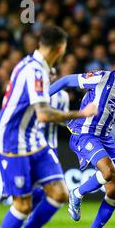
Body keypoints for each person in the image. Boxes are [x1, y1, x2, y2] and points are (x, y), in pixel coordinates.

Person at [0, 26, 97, 228]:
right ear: (60, 48)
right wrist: (81, 113)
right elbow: (44, 114)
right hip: (12, 141)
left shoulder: (37, 66)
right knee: (23, 205)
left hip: (33, 138)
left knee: (59, 193)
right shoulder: (34, 71)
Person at [49, 49, 115, 228]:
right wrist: (41, 98)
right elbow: (66, 81)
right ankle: (77, 193)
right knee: (108, 171)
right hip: (84, 132)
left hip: (105, 136)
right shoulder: (101, 78)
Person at [32, 68, 70, 209]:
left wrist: (61, 118)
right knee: (32, 181)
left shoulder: (63, 96)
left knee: (51, 184)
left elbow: (64, 120)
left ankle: (33, 209)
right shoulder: (34, 91)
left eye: (53, 74)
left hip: (51, 145)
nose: (50, 76)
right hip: (32, 144)